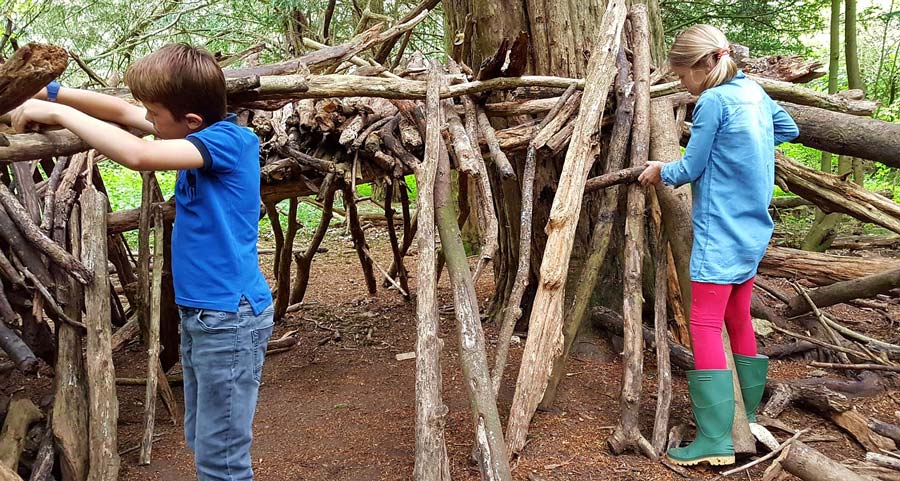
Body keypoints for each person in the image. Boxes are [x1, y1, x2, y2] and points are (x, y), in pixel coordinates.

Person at [12, 43, 274, 481]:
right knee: (205, 439)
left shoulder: (230, 142)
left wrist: (59, 116)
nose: (147, 120)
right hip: (207, 315)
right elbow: (120, 109)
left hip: (230, 317)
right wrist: (51, 93)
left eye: (154, 114)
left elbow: (139, 156)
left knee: (222, 458)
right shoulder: (196, 132)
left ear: (190, 121)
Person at [639, 25, 799, 467]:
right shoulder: (753, 92)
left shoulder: (712, 101)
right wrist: (746, 150)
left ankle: (715, 438)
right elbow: (789, 128)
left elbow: (689, 167)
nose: (683, 87)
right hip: (752, 227)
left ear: (704, 65)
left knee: (704, 323)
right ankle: (743, 414)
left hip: (719, 229)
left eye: (683, 77)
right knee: (737, 315)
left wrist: (659, 170)